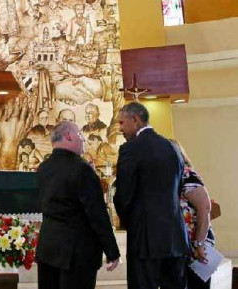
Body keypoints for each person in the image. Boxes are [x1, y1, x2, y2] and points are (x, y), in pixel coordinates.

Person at [36, 121, 120, 289]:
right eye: (80, 135)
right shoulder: (82, 169)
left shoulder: (43, 168)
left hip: (48, 249)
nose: (83, 140)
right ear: (68, 136)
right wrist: (112, 251)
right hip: (77, 253)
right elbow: (96, 214)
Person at [114, 102, 188, 289]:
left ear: (135, 120)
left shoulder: (130, 149)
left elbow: (124, 195)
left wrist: (125, 220)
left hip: (144, 238)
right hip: (175, 236)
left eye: (122, 123)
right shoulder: (173, 147)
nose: (120, 129)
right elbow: (178, 189)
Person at [171, 139, 214, 289]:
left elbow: (205, 208)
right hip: (182, 246)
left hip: (196, 246)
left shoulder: (186, 174)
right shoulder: (172, 177)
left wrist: (199, 243)